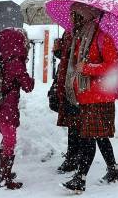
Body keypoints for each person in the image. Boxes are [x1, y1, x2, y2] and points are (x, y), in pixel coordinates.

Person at [61, 3, 118, 193]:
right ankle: (113, 170)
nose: (71, 20)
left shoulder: (103, 38)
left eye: (74, 16)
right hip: (86, 96)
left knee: (88, 137)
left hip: (100, 97)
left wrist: (87, 68)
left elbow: (112, 67)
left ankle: (80, 178)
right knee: (100, 137)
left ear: (84, 17)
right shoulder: (81, 38)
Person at [0, 27, 35, 189]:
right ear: (18, 42)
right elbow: (28, 86)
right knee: (10, 141)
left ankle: (2, 172)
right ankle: (4, 179)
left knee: (6, 139)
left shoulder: (0, 60)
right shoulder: (15, 63)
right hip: (6, 108)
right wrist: (30, 79)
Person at [50, 31, 82, 173]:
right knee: (72, 122)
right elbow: (64, 56)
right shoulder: (69, 32)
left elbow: (75, 57)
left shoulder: (81, 33)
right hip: (66, 82)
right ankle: (74, 156)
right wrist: (58, 49)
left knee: (76, 122)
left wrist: (64, 50)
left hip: (75, 82)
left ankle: (75, 158)